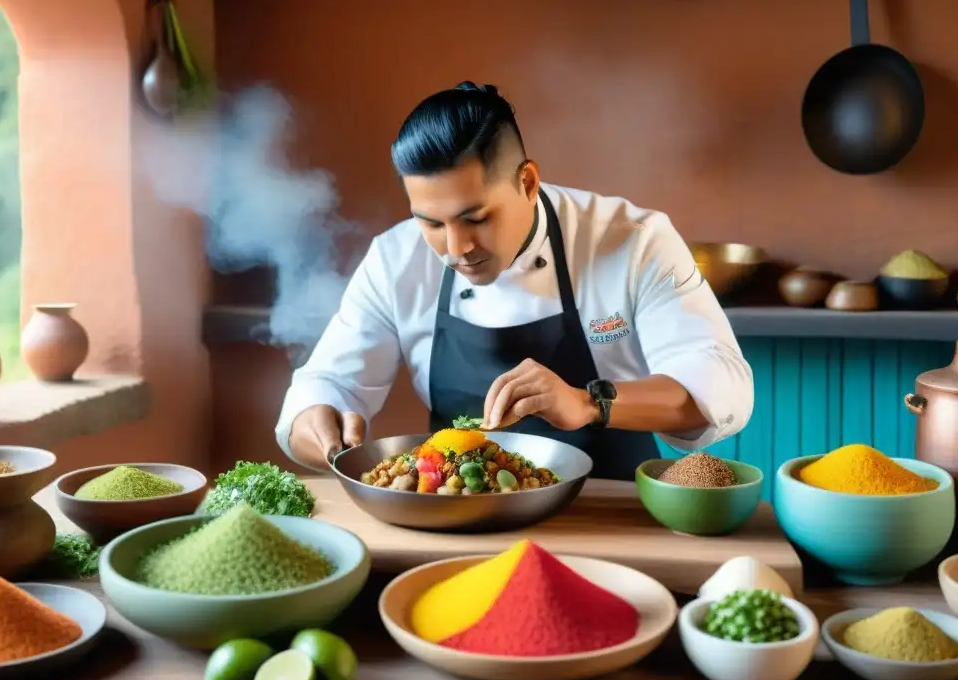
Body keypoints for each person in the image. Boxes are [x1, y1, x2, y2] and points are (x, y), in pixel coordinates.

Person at [276, 81, 754, 480]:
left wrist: (589, 401)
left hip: (607, 509)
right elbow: (327, 386)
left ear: (527, 182)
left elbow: (722, 385)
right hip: (454, 515)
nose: (457, 247)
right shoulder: (394, 258)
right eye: (433, 223)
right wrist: (319, 421)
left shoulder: (632, 240)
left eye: (476, 218)